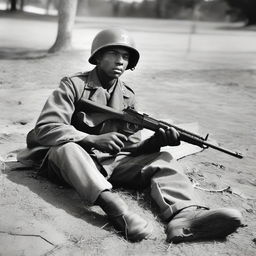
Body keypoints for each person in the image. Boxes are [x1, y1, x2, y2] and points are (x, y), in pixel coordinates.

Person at [18, 28, 242, 243]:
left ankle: (184, 217)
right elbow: (46, 126)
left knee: (163, 159)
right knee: (67, 148)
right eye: (113, 53)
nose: (120, 61)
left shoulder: (127, 97)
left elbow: (131, 149)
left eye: (125, 57)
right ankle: (117, 211)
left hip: (108, 166)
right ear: (97, 57)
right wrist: (90, 139)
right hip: (66, 166)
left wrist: (156, 142)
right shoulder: (73, 85)